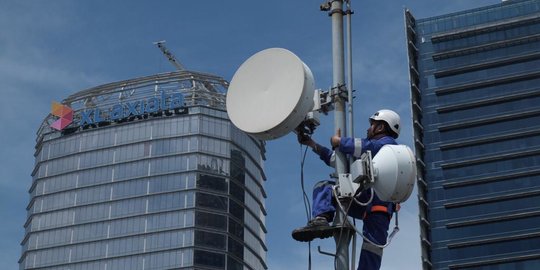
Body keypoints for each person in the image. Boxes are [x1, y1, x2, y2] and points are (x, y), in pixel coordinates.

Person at [292, 109, 401, 270]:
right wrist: (312, 144)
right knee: (325, 187)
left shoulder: (388, 145)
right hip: (364, 201)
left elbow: (365, 146)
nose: (368, 129)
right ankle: (321, 219)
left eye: (372, 125)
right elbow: (337, 161)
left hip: (379, 207)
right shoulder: (367, 153)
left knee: (372, 248)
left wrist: (340, 142)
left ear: (380, 128)